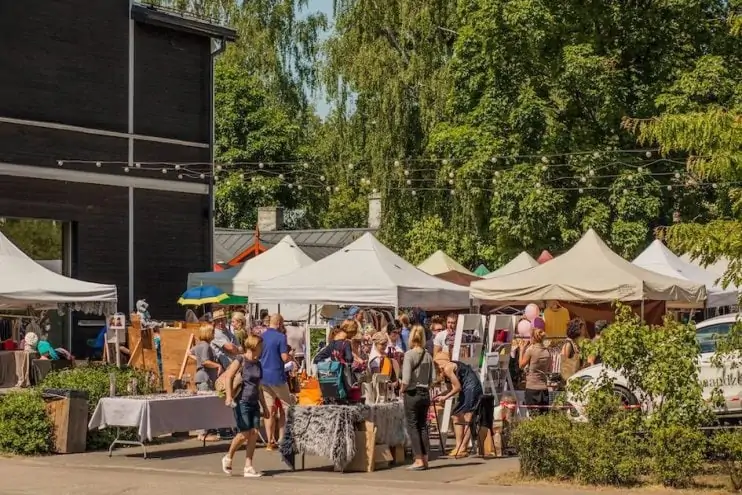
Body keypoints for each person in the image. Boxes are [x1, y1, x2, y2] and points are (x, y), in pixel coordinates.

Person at [221, 334, 270, 478]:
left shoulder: (258, 363)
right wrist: (229, 396)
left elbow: (259, 386)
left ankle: (248, 466)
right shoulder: (241, 360)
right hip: (242, 400)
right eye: (260, 346)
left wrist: (265, 407)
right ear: (254, 346)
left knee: (254, 433)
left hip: (254, 401)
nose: (262, 349)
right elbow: (229, 376)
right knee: (244, 433)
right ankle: (228, 457)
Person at [433, 352, 483, 457]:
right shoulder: (445, 372)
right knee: (455, 415)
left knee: (468, 417)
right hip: (466, 388)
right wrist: (440, 395)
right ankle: (459, 446)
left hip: (471, 387)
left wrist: (445, 397)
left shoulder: (448, 368)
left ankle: (463, 447)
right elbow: (451, 389)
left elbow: (457, 387)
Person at [400, 325, 433, 470]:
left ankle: (418, 459)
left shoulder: (409, 355)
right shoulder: (428, 355)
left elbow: (406, 379)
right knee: (423, 426)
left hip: (412, 393)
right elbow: (433, 378)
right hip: (425, 392)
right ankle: (425, 458)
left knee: (412, 426)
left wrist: (401, 390)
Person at [259, 313, 293, 450]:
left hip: (264, 377)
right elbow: (284, 357)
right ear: (279, 323)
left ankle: (269, 440)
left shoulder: (261, 336)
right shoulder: (281, 337)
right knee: (286, 407)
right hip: (277, 376)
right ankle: (282, 438)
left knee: (269, 409)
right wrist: (291, 356)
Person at [189, 323, 222, 442]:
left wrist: (197, 359)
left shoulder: (199, 345)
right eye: (212, 332)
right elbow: (205, 361)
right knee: (206, 405)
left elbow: (189, 352)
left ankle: (203, 432)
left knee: (203, 405)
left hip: (200, 376)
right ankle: (203, 434)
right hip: (205, 377)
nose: (214, 334)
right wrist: (218, 365)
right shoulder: (206, 346)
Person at [518, 328, 551, 415]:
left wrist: (522, 349)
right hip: (544, 389)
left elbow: (521, 365)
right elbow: (549, 369)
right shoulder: (547, 351)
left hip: (532, 388)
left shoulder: (531, 350)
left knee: (533, 417)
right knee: (543, 417)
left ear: (533, 338)